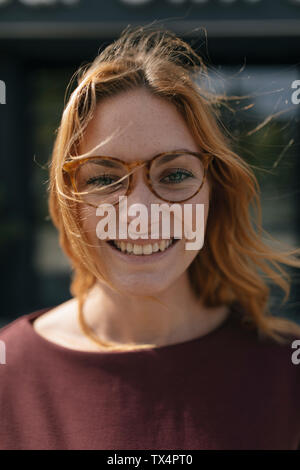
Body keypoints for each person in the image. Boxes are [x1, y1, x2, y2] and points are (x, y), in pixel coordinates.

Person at [1, 24, 300, 451]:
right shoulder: (9, 369)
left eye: (175, 174)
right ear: (71, 202)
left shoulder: (286, 371)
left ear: (214, 193)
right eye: (104, 178)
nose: (140, 212)